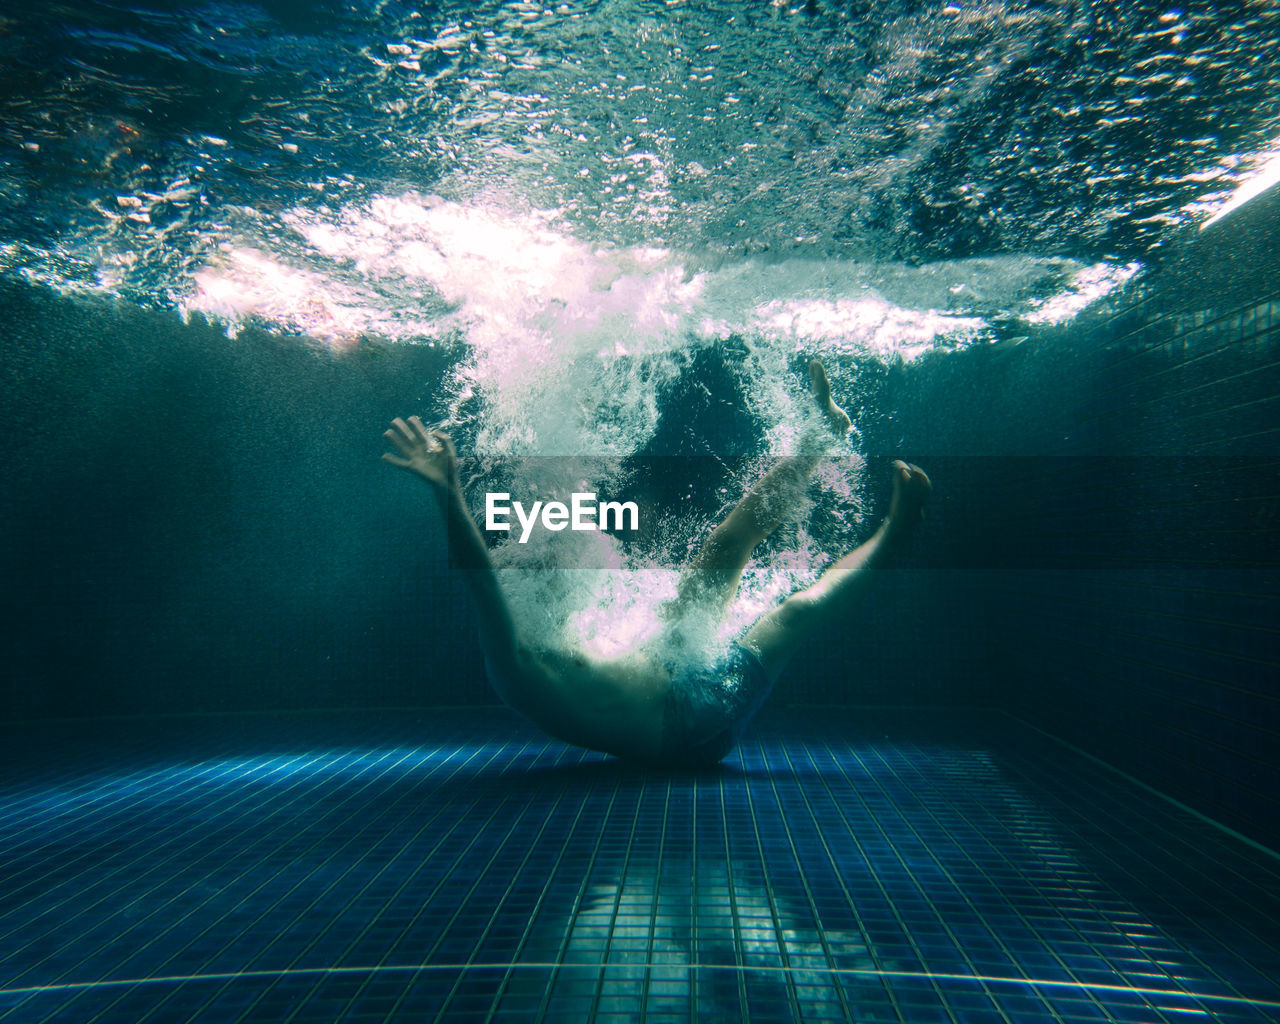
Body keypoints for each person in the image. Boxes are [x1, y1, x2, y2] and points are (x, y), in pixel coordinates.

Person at [383, 360, 931, 767]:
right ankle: (894, 534)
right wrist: (447, 492)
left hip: (669, 663)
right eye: (547, 569)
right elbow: (479, 581)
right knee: (792, 613)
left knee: (722, 546)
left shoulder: (553, 630)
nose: (561, 569)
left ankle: (819, 439)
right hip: (689, 729)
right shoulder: (516, 667)